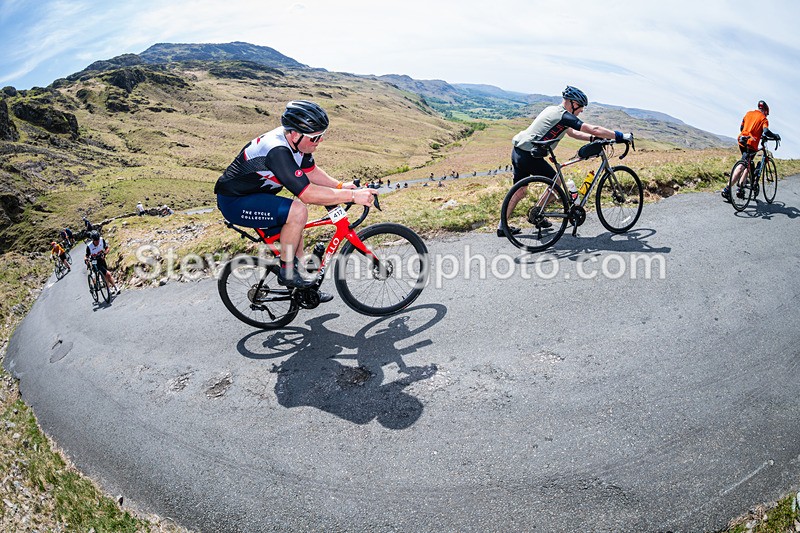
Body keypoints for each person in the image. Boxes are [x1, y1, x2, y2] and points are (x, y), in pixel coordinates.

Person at [214, 100, 377, 301]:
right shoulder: (277, 150)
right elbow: (307, 194)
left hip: (257, 196)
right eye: (315, 137)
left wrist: (340, 186)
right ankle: (287, 272)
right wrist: (353, 196)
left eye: (322, 135)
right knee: (297, 211)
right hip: (235, 202)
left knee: (295, 233)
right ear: (294, 134)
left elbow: (311, 172)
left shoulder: (299, 143)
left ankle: (305, 292)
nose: (320, 140)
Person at [499, 85, 633, 237]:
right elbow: (593, 128)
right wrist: (620, 136)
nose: (581, 110)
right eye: (580, 106)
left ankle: (502, 226)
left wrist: (592, 139)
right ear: (572, 103)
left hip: (519, 151)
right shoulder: (563, 116)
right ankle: (537, 214)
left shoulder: (553, 110)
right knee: (556, 184)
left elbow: (572, 133)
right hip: (529, 156)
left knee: (520, 191)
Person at [722, 100, 781, 202]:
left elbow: (741, 127)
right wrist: (775, 136)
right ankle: (727, 189)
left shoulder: (748, 113)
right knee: (742, 165)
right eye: (767, 114)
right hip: (751, 144)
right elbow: (766, 131)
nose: (766, 115)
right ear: (765, 111)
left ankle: (741, 189)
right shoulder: (764, 119)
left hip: (742, 141)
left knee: (747, 164)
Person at [85, 230, 120, 295]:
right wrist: (86, 259)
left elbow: (107, 248)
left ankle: (112, 287)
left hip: (102, 259)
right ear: (93, 240)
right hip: (95, 262)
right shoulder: (89, 246)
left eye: (98, 240)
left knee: (106, 275)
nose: (97, 242)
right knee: (107, 274)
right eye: (96, 241)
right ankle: (112, 288)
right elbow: (86, 255)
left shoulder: (102, 240)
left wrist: (104, 253)